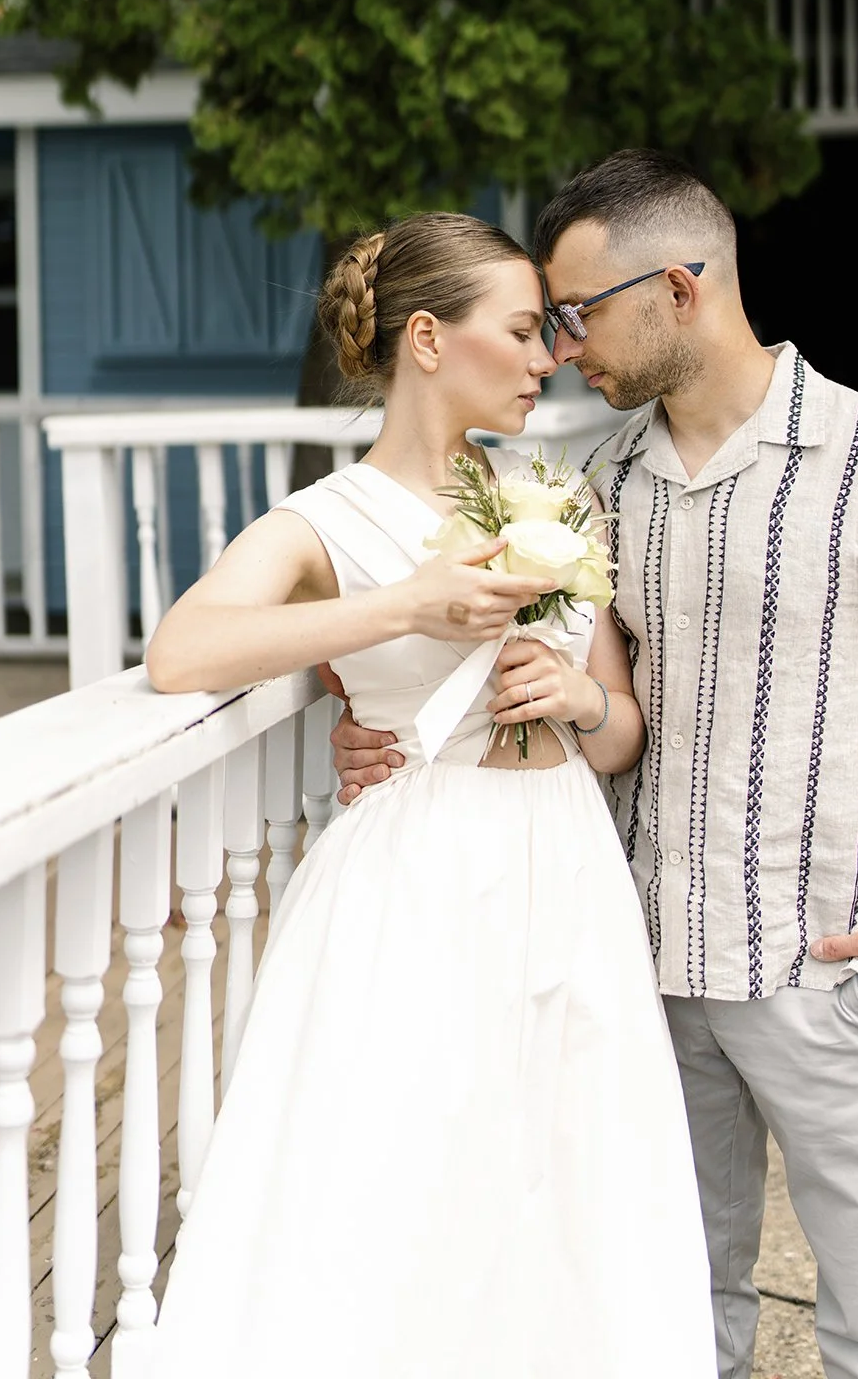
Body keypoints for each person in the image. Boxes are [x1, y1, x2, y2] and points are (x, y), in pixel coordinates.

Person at [334, 151, 858, 1379]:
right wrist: (382, 737)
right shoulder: (603, 485)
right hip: (648, 973)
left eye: (577, 312)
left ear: (679, 286)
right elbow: (582, 708)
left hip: (824, 972)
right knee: (673, 1313)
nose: (562, 345)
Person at [144, 210, 717, 1379]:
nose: (547, 356)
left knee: (574, 1176)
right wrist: (402, 607)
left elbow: (620, 734)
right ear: (425, 337)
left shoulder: (552, 499)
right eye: (519, 331)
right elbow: (183, 649)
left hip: (563, 856)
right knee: (412, 1172)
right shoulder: (325, 520)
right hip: (420, 869)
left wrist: (574, 692)